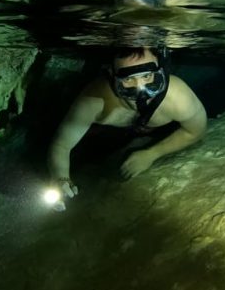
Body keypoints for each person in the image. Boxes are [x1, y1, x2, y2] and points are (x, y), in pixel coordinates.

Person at [47, 46, 207, 200]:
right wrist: (60, 178)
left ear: (161, 70)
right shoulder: (93, 100)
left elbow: (196, 131)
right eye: (129, 79)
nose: (140, 90)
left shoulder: (178, 97)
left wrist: (152, 154)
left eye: (146, 76)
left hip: (157, 131)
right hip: (108, 135)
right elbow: (62, 145)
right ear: (112, 75)